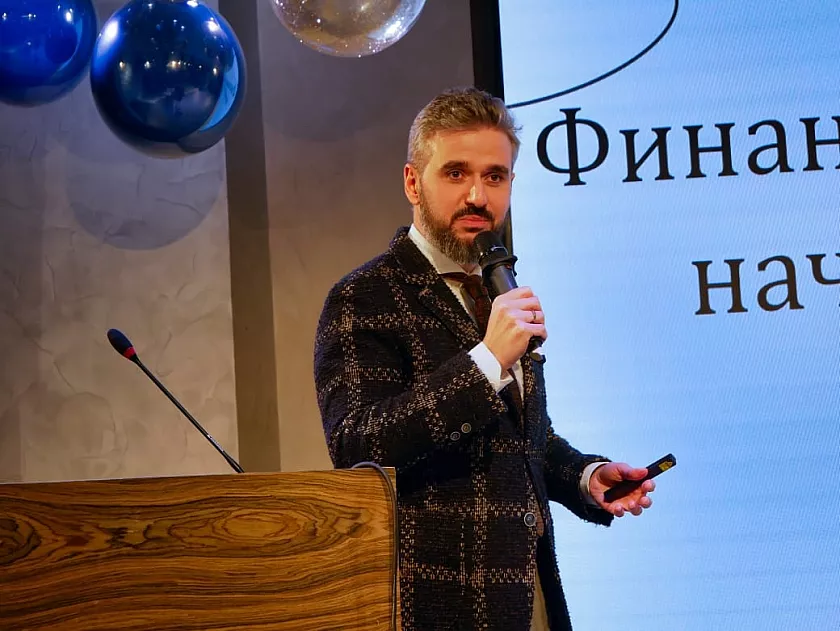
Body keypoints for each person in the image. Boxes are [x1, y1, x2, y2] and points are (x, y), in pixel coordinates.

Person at [313, 87, 655, 631]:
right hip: (434, 604)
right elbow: (358, 446)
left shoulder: (497, 287)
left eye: (495, 176)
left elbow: (517, 441)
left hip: (529, 595)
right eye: (456, 173)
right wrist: (487, 360)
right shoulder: (365, 296)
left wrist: (585, 476)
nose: (478, 196)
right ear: (412, 183)